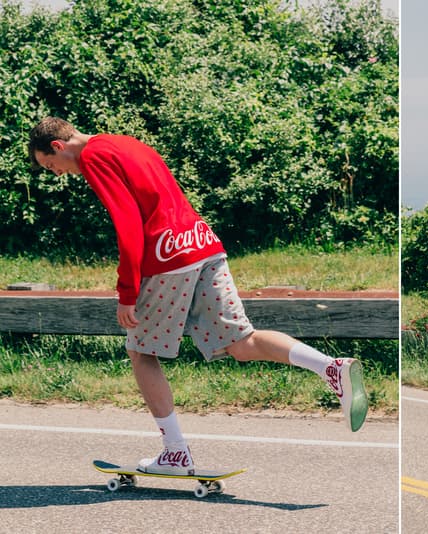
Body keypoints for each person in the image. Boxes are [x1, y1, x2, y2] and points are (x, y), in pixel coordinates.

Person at [28, 116, 368, 475]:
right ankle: (329, 367)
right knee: (243, 342)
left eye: (52, 166)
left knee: (141, 351)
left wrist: (127, 291)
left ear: (58, 146)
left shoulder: (95, 157)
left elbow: (127, 222)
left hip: (167, 254)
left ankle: (175, 453)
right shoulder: (127, 142)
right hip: (203, 244)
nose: (58, 174)